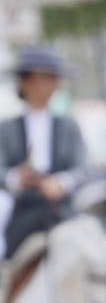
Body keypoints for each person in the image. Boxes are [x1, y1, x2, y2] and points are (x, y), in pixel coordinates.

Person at [0, 45, 87, 258]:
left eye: (49, 78)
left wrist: (61, 182)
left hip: (61, 209)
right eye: (37, 78)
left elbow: (83, 168)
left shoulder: (69, 127)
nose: (43, 86)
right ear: (24, 82)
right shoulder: (6, 128)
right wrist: (17, 178)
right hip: (21, 209)